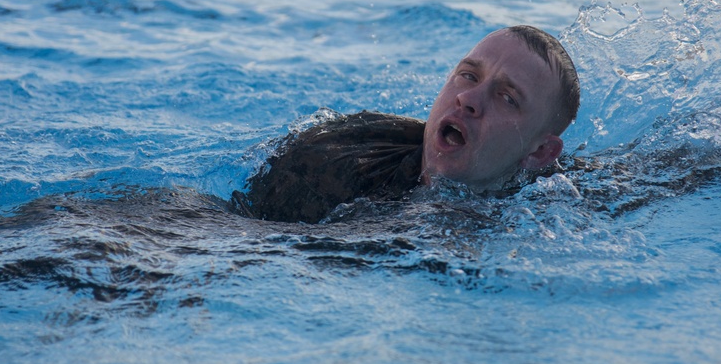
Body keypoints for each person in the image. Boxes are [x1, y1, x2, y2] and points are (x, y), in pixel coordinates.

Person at [229, 25, 580, 223]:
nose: (469, 99)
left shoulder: (563, 212)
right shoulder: (328, 163)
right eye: (468, 75)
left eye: (507, 98)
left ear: (540, 153)